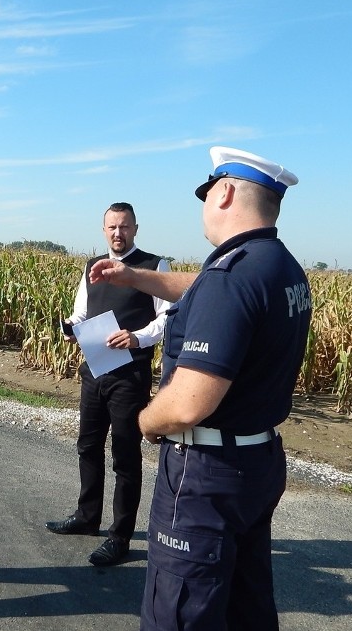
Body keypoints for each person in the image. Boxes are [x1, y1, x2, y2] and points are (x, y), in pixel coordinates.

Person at [89, 147, 311, 630]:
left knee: (181, 610)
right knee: (243, 605)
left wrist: (146, 420)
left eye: (206, 192)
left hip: (205, 474)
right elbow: (204, 284)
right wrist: (136, 277)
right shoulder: (277, 265)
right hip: (257, 461)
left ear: (225, 192)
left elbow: (189, 404)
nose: (204, 203)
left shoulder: (233, 277)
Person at [45, 202, 171, 567]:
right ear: (104, 230)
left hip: (130, 374)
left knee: (125, 454)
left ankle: (120, 536)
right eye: (112, 227)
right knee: (87, 446)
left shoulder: (153, 266)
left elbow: (166, 318)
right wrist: (69, 328)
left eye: (125, 227)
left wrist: (137, 337)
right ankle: (87, 518)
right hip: (95, 369)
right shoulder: (92, 266)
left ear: (135, 228)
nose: (119, 233)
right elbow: (82, 312)